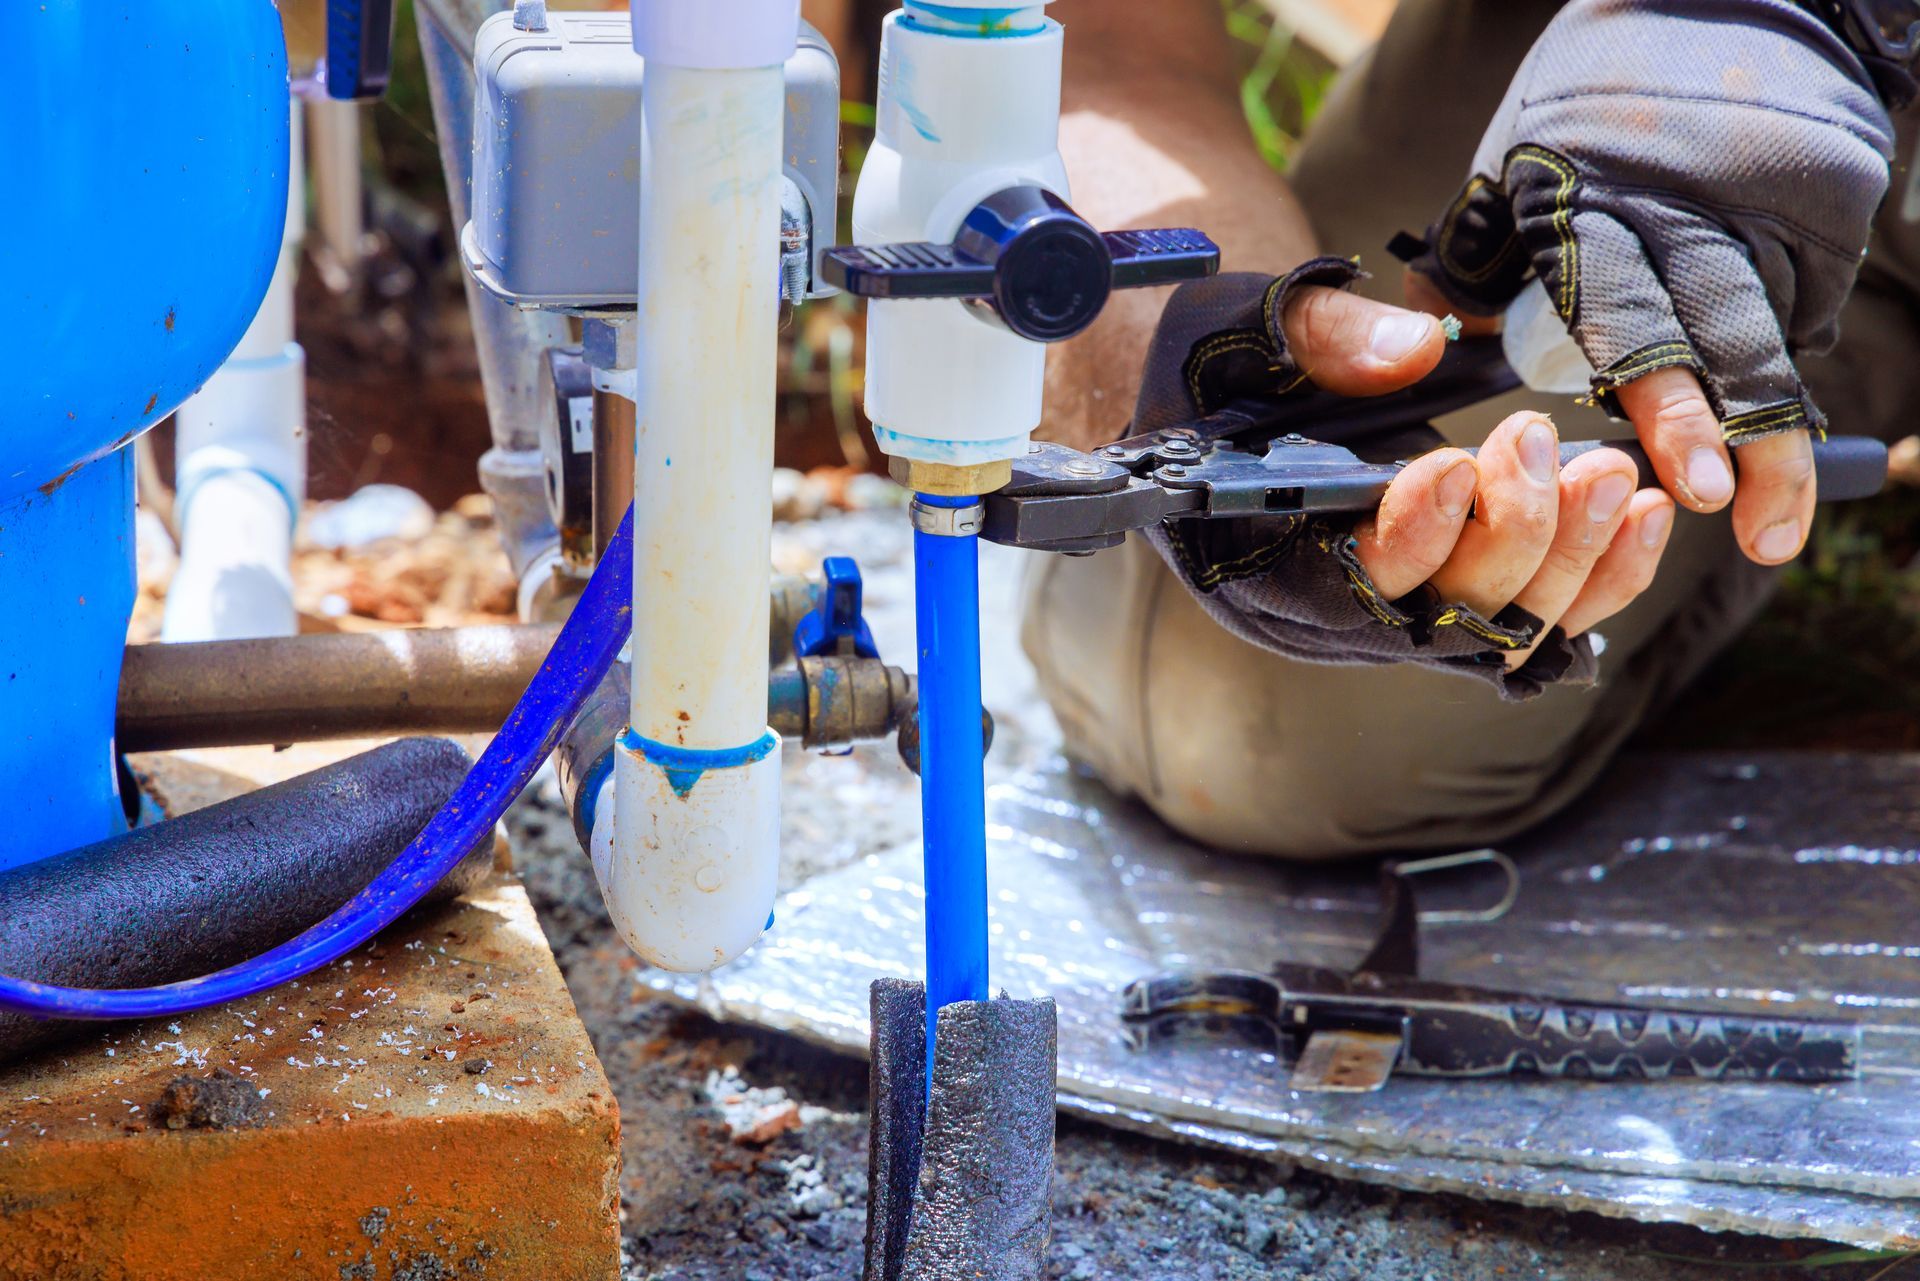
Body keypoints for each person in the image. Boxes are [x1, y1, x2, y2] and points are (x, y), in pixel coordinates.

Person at [1025, 0, 1913, 857]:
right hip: (1652, 63)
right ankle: (1803, 308)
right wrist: (1173, 360)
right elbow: (1100, 50)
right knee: (1244, 727)